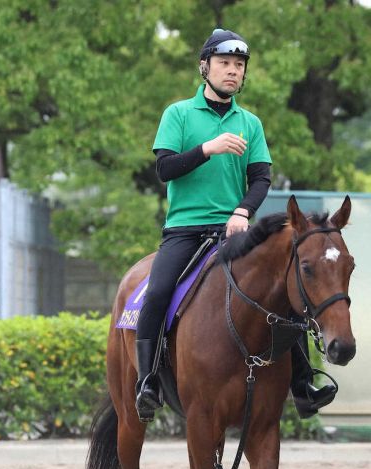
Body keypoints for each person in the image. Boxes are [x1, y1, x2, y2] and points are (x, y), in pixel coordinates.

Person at [134, 28, 336, 422]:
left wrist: (242, 212)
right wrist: (209, 148)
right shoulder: (178, 114)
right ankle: (148, 382)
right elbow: (164, 168)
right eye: (224, 63)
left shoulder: (251, 123)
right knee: (157, 290)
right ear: (204, 67)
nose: (232, 71)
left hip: (236, 229)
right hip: (185, 230)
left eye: (239, 66)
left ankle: (303, 384)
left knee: (288, 289)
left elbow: (261, 178)